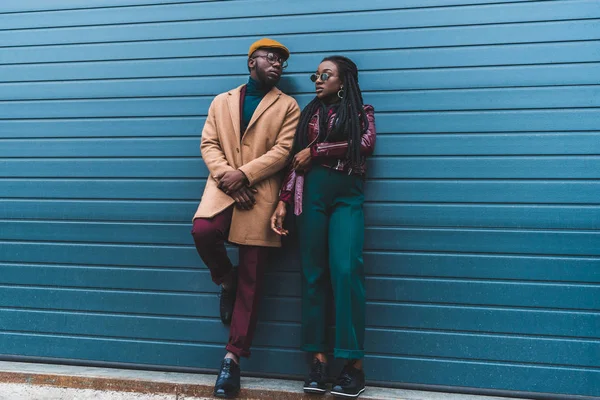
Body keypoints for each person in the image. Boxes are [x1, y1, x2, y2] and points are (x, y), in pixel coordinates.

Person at [190, 38, 300, 398]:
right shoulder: (221, 101)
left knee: (252, 278)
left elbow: (284, 151)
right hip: (224, 187)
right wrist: (228, 176)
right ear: (252, 61)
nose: (278, 64)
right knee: (203, 231)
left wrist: (246, 175)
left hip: (259, 193)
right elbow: (209, 144)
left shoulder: (288, 105)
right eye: (271, 58)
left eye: (282, 61)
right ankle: (225, 280)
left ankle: (232, 360)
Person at [270, 55, 376, 399]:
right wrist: (284, 201)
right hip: (310, 195)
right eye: (315, 75)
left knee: (346, 270)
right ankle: (317, 361)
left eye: (325, 75)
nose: (317, 80)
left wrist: (317, 151)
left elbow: (364, 144)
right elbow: (295, 162)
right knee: (313, 274)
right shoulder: (309, 113)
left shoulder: (362, 112)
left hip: (346, 195)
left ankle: (353, 366)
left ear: (342, 81)